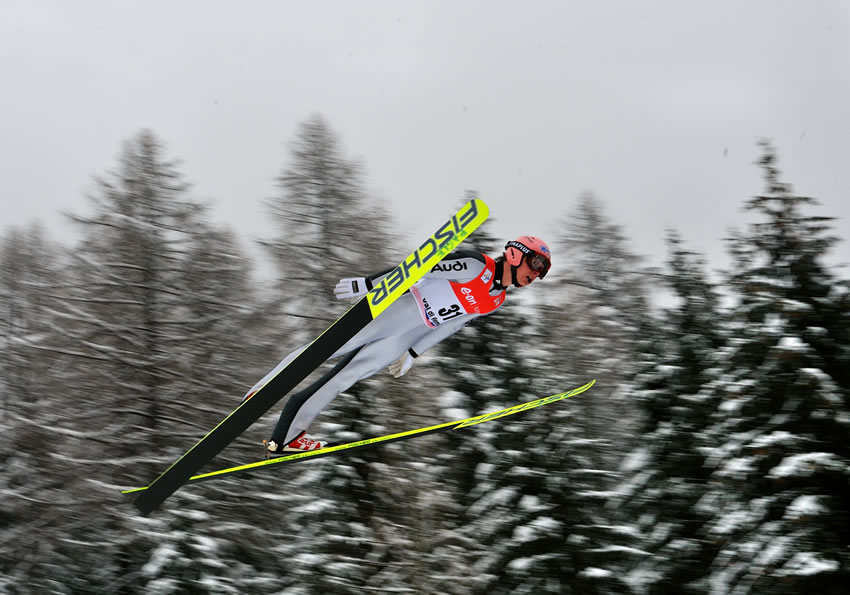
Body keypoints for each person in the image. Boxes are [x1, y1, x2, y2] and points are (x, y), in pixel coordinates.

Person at [243, 235, 552, 456]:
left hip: (409, 334)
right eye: (535, 264)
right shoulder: (474, 264)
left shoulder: (496, 300)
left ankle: (288, 436)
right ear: (516, 253)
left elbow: (453, 324)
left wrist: (414, 353)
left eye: (542, 271)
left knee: (343, 379)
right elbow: (419, 267)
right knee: (327, 347)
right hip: (401, 308)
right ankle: (263, 389)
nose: (535, 274)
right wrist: (369, 283)